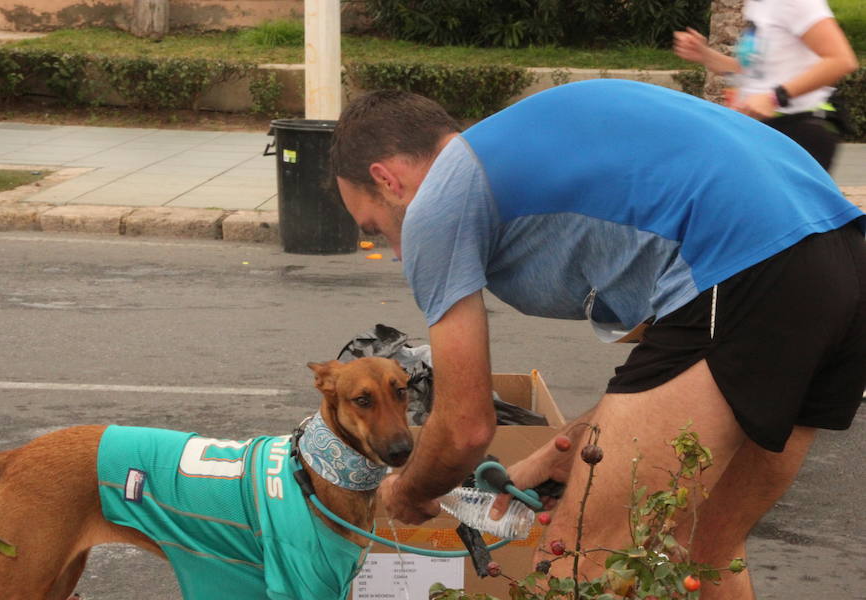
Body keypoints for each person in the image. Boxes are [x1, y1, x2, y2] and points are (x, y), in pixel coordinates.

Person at [328, 79, 865, 599]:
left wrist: (408, 490)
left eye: (376, 228)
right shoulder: (521, 152)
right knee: (704, 548)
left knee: (577, 557)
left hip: (748, 263)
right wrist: (579, 443)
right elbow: (676, 365)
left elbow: (465, 427)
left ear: (389, 179)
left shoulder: (440, 199)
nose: (396, 254)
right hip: (842, 260)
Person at [673, 0, 859, 171]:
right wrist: (705, 55)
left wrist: (774, 97)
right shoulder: (758, 5)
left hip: (799, 134)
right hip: (764, 131)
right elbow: (757, 71)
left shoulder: (796, 3)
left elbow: (841, 61)